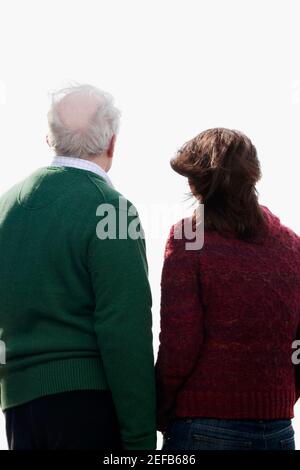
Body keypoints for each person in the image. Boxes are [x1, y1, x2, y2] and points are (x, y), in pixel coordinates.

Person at [0, 84, 156, 450]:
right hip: (89, 408)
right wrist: (140, 439)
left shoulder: (6, 207)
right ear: (112, 143)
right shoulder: (112, 209)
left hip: (18, 410)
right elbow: (126, 330)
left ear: (50, 138)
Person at [156, 128, 300, 451]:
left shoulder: (188, 240)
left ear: (198, 186)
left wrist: (160, 410)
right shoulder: (294, 248)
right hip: (279, 432)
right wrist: (277, 401)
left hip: (202, 426)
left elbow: (180, 345)